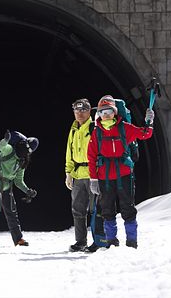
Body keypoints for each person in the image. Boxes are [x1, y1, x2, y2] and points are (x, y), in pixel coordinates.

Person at [88, 95, 154, 249]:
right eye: (103, 112)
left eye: (109, 111)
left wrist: (149, 121)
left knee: (128, 208)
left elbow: (145, 134)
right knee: (107, 210)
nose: (106, 115)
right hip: (104, 178)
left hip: (124, 175)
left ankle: (132, 242)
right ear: (99, 114)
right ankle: (112, 242)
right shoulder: (96, 133)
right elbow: (91, 156)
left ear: (115, 112)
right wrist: (93, 179)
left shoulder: (125, 128)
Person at [0, 130, 38, 247]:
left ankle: (18, 239)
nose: (25, 150)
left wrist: (27, 190)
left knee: (12, 213)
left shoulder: (22, 162)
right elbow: (2, 146)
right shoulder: (10, 150)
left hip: (7, 187)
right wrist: (6, 140)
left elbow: (18, 181)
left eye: (28, 150)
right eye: (25, 146)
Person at [65, 98, 99, 252]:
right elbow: (69, 153)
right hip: (78, 175)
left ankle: (98, 240)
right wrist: (68, 173)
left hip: (93, 175)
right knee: (78, 210)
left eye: (83, 110)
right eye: (77, 110)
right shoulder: (73, 129)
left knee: (96, 210)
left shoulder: (94, 128)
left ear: (89, 111)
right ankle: (80, 242)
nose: (79, 113)